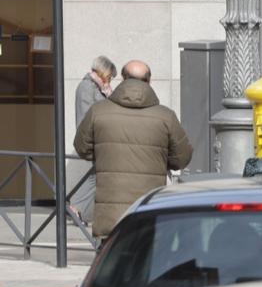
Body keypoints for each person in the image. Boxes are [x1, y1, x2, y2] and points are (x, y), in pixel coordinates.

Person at [73, 61, 193, 239]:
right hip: (148, 212)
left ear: (122, 78)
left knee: (112, 264)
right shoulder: (165, 116)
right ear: (149, 81)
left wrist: (104, 155)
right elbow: (182, 158)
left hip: (110, 218)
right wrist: (160, 159)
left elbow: (82, 147)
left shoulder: (98, 111)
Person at [72, 55, 117, 223]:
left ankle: (78, 210)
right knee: (94, 177)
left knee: (95, 177)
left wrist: (108, 94)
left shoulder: (97, 88)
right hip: (93, 140)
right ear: (103, 72)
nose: (110, 80)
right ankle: (76, 209)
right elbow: (88, 116)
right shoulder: (86, 87)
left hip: (98, 141)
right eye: (110, 76)